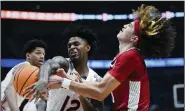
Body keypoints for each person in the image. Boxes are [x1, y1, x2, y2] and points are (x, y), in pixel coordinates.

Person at [26, 4, 176, 111]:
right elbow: (100, 89)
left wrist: (63, 82)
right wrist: (72, 81)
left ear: (134, 39)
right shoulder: (124, 57)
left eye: (130, 26)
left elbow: (100, 91)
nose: (125, 25)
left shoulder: (131, 56)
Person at [24, 25, 105, 111]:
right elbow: (48, 64)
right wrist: (43, 80)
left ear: (87, 47)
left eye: (76, 44)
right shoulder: (63, 63)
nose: (72, 47)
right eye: (69, 46)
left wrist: (80, 92)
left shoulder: (96, 80)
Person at [1, 39, 47, 111]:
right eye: (38, 53)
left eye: (43, 54)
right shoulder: (25, 66)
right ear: (28, 55)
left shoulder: (33, 72)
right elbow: (9, 90)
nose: (42, 56)